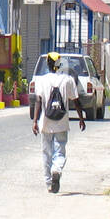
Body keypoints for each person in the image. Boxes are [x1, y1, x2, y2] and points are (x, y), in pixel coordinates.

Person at [30, 51, 85, 193]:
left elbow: (38, 101)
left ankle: (49, 183)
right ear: (60, 65)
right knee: (60, 150)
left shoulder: (41, 81)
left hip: (46, 122)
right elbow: (76, 101)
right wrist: (81, 118)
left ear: (48, 64)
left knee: (46, 152)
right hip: (62, 122)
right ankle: (57, 170)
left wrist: (35, 121)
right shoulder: (68, 80)